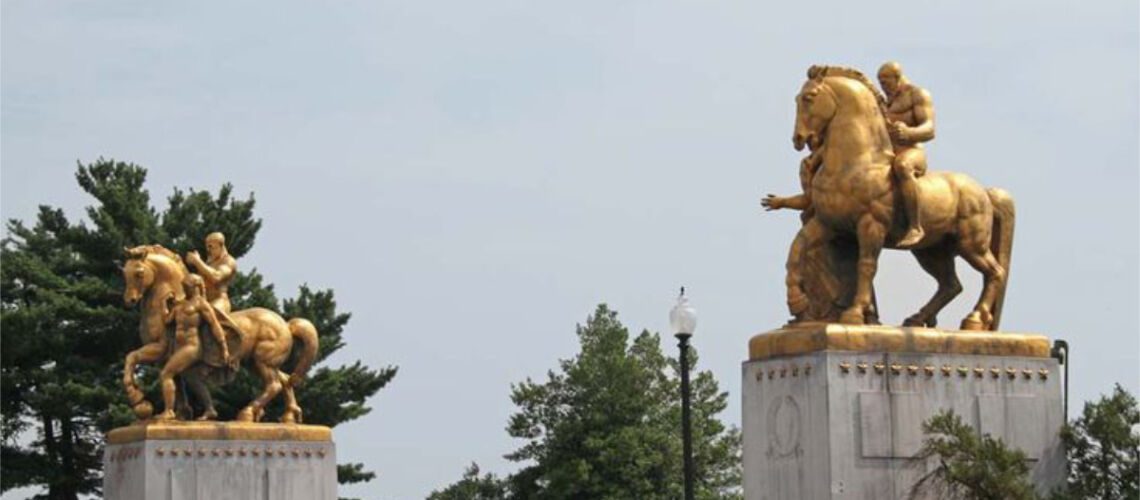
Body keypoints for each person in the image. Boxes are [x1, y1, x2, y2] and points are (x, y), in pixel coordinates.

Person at [877, 61, 936, 248]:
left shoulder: (917, 95)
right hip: (889, 153)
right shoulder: (885, 103)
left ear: (898, 77)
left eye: (886, 82)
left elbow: (930, 128)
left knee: (902, 166)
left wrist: (909, 133)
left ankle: (915, 226)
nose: (883, 87)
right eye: (881, 83)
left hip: (912, 152)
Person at [156, 275, 229, 421]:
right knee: (193, 379)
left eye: (187, 286)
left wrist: (223, 347)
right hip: (179, 347)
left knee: (166, 374)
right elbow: (168, 320)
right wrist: (164, 304)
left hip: (192, 347)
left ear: (195, 286)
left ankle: (169, 411)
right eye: (183, 286)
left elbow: (215, 325)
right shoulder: (180, 304)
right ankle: (210, 409)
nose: (184, 288)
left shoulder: (201, 304)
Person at [186, 232, 237, 313]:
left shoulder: (228, 261)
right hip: (203, 301)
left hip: (219, 301)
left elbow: (217, 276)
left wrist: (197, 261)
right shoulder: (208, 263)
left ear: (221, 245)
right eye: (207, 247)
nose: (208, 250)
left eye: (211, 247)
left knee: (210, 314)